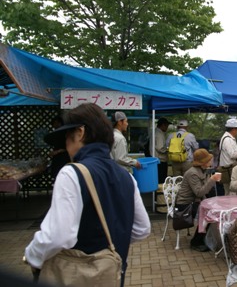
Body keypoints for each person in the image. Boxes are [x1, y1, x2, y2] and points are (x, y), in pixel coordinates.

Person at [24, 103, 151, 287]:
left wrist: (32, 255)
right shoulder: (127, 177)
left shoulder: (71, 173)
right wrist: (112, 243)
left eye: (68, 137)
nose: (67, 146)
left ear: (81, 132)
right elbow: (142, 229)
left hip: (77, 277)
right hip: (112, 276)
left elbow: (58, 236)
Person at [175, 149, 221, 252]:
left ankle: (204, 239)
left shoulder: (201, 171)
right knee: (208, 215)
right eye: (209, 159)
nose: (211, 161)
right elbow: (199, 192)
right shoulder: (193, 173)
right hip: (185, 205)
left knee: (211, 212)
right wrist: (212, 180)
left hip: (195, 202)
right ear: (203, 162)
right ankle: (196, 242)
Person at [218, 118, 237, 195]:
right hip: (229, 169)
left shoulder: (227, 138)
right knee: (231, 192)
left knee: (229, 191)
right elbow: (232, 155)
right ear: (233, 129)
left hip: (229, 168)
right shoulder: (227, 140)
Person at [48, 116, 71, 180]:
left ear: (59, 123)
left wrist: (58, 151)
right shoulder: (56, 133)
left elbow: (67, 147)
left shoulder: (65, 133)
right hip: (57, 158)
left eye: (56, 123)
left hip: (64, 158)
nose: (54, 125)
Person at [153, 117, 172, 184]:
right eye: (167, 125)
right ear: (163, 125)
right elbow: (160, 148)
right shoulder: (159, 134)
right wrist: (169, 149)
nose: (167, 128)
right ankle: (161, 194)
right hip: (160, 160)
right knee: (162, 180)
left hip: (157, 159)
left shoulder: (155, 132)